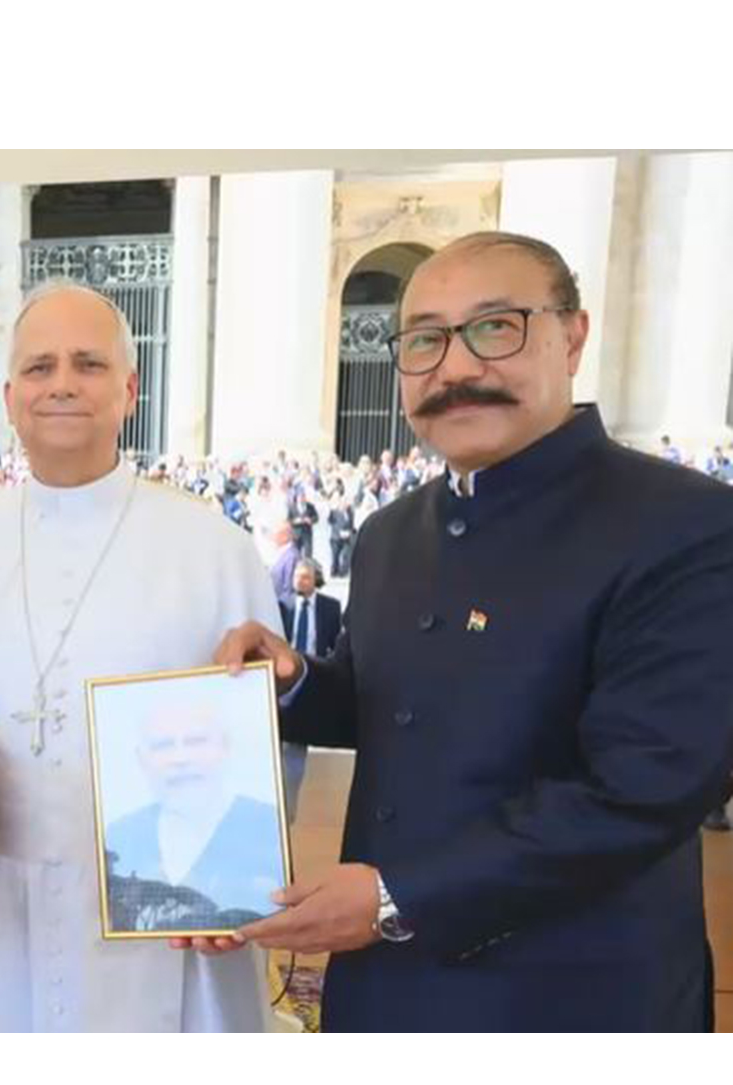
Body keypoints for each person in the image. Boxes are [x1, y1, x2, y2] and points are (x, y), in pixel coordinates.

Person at [212, 231, 733, 1031]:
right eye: (424, 341)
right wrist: (296, 683)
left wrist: (394, 898)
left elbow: (641, 790)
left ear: (574, 336)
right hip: (386, 992)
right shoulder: (393, 533)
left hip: (574, 1001)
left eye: (495, 327)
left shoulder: (687, 526)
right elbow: (394, 705)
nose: (455, 369)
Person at [0, 281, 281, 1032]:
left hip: (164, 918)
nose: (61, 383)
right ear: (9, 396)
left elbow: (256, 734)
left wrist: (238, 875)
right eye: (40, 367)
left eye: (88, 364)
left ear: (129, 390)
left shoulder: (213, 548)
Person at [104, 701, 283, 932]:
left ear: (225, 748)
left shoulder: (266, 825)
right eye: (163, 745)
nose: (180, 758)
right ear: (141, 759)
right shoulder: (120, 836)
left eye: (196, 741)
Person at [276, 559, 343, 822]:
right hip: (281, 678)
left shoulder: (330, 607)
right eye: (296, 577)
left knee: (296, 749)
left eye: (305, 577)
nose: (299, 582)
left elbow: (335, 646)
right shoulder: (282, 604)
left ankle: (289, 808)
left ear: (315, 579)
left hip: (309, 681)